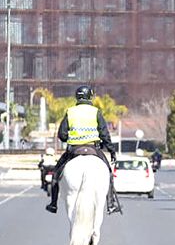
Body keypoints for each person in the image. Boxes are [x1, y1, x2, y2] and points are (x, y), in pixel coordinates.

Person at [46, 85, 121, 215]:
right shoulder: (95, 112)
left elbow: (62, 135)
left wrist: (72, 136)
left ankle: (53, 204)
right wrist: (112, 151)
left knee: (56, 175)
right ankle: (110, 203)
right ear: (90, 97)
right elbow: (104, 134)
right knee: (108, 173)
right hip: (93, 148)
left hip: (74, 150)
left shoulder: (70, 112)